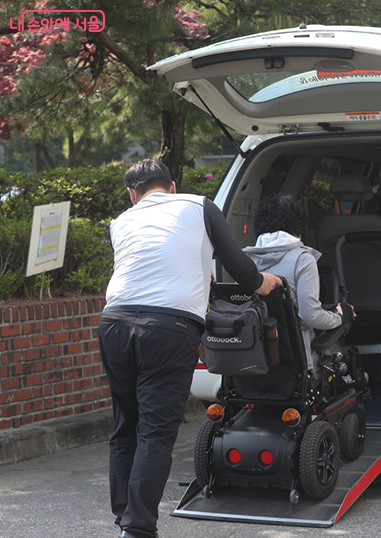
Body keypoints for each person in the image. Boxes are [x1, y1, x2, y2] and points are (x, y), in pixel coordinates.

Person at [98, 159, 280, 538]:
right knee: (155, 433)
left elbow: (149, 263)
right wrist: (264, 283)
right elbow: (241, 270)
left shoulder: (121, 221)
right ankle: (137, 529)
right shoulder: (198, 205)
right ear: (173, 186)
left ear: (132, 195)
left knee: (126, 427)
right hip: (168, 328)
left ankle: (125, 520)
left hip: (114, 323)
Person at [243, 193, 354, 376]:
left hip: (253, 357)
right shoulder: (302, 259)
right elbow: (310, 317)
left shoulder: (246, 260)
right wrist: (341, 317)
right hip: (296, 362)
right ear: (297, 225)